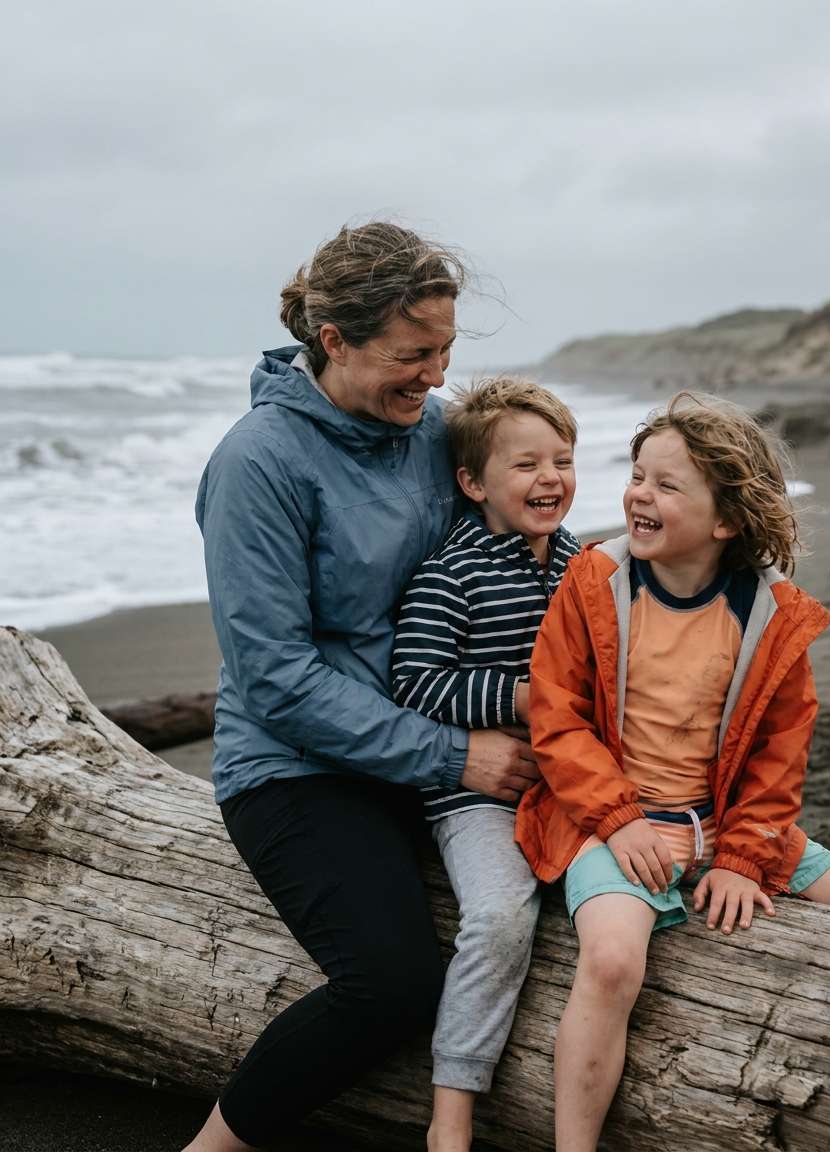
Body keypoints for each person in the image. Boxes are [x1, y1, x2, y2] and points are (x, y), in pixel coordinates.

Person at [184, 223, 539, 1152]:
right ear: (333, 341)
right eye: (412, 355)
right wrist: (457, 753)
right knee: (392, 983)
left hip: (430, 756)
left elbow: (510, 538)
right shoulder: (257, 464)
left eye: (445, 352)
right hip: (297, 770)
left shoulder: (432, 434)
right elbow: (276, 679)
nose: (433, 376)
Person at [514, 392, 830, 1152]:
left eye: (666, 485)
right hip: (611, 823)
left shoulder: (770, 613)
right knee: (615, 958)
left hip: (721, 821)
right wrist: (620, 821)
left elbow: (779, 753)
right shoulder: (595, 582)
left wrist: (741, 858)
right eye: (635, 475)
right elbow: (556, 719)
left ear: (725, 520)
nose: (639, 495)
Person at [392, 376, 581, 1152]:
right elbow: (415, 682)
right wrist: (518, 696)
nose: (550, 480)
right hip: (473, 798)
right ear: (473, 482)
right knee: (502, 916)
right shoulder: (451, 573)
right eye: (526, 465)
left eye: (563, 460)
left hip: (574, 784)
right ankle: (452, 1115)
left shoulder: (586, 566)